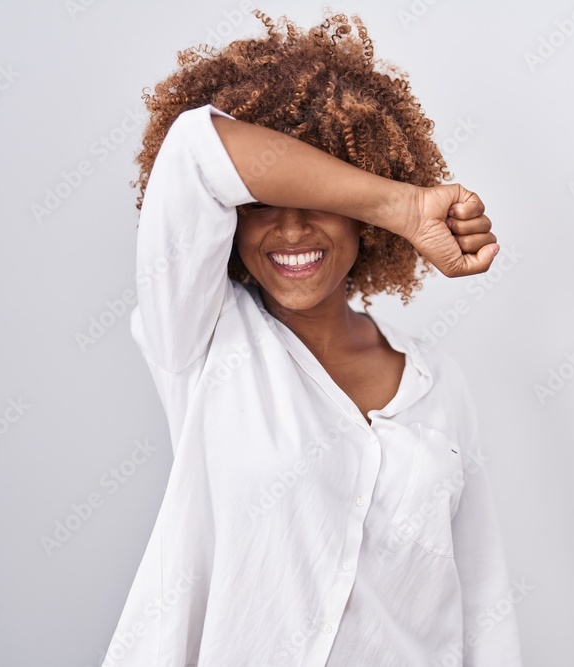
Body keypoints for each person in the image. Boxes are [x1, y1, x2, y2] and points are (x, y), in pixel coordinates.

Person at [102, 9, 523, 666]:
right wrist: (403, 205)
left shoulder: (438, 383)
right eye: (262, 201)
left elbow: (482, 606)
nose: (291, 229)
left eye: (321, 198)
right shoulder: (201, 337)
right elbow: (195, 151)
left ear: (358, 219)